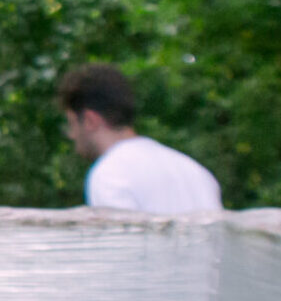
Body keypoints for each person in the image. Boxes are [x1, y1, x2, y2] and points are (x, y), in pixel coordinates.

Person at [57, 63, 222, 214]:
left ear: (89, 120)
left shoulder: (111, 173)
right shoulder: (194, 170)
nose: (71, 135)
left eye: (71, 124)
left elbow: (122, 245)